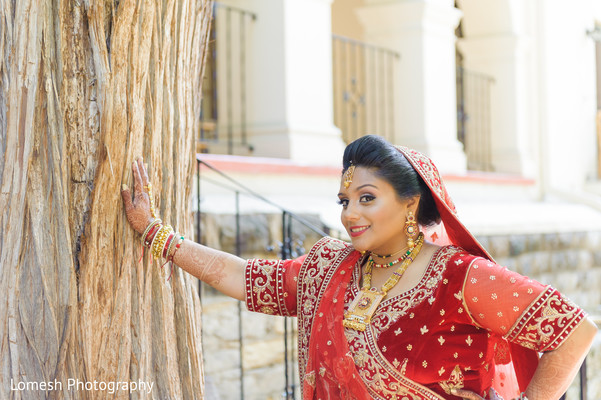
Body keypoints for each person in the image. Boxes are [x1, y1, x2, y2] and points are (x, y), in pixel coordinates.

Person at [121, 135, 598, 400]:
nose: (349, 213)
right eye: (344, 199)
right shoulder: (327, 267)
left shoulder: (461, 277)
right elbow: (243, 279)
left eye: (367, 198)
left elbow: (574, 332)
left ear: (411, 203)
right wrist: (160, 235)